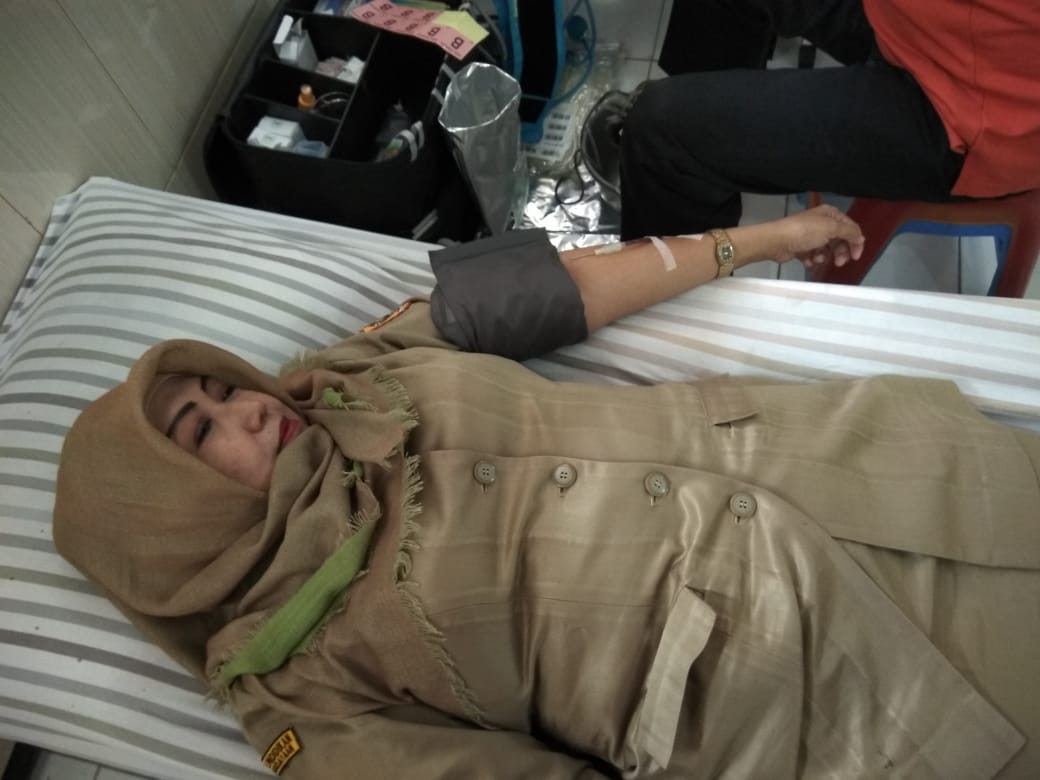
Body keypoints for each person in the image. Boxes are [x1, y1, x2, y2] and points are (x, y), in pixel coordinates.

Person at [52, 209, 1040, 778]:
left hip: (851, 460)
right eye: (201, 432)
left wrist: (764, 235)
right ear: (169, 524)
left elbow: (565, 290)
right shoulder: (297, 692)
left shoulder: (350, 372)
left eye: (222, 388)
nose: (250, 410)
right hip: (805, 686)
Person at [619, 0, 1040, 239]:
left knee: (659, 132)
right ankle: (699, 152)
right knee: (682, 135)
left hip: (971, 112)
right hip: (920, 24)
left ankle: (667, 307)